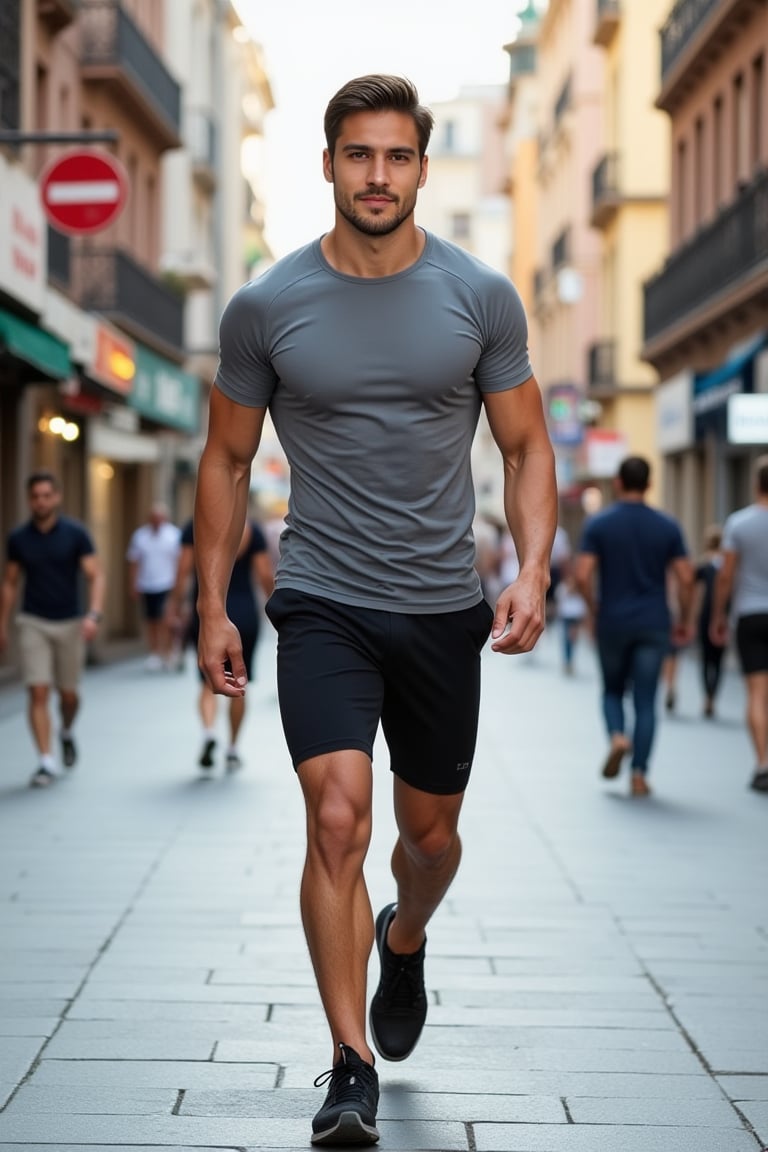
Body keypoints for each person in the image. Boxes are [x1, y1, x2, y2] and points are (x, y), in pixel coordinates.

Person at [192, 74, 557, 1147]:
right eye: (360, 155)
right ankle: (349, 1063)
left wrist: (532, 567)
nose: (379, 175)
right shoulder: (268, 307)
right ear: (329, 164)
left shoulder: (479, 296)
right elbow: (224, 457)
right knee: (337, 817)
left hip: (445, 605)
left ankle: (405, 940)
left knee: (429, 839)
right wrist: (214, 604)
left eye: (398, 157)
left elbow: (529, 447)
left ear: (421, 169)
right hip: (322, 600)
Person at [574, 455, 694, 797]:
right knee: (645, 700)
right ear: (650, 484)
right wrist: (684, 619)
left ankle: (617, 736)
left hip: (613, 620)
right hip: (654, 622)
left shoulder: (599, 524)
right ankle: (639, 775)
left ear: (618, 483)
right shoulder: (668, 525)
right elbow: (686, 578)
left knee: (612, 690)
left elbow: (582, 574)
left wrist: (592, 608)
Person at [0, 470, 105, 788]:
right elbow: (10, 582)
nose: (41, 501)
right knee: (38, 690)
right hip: (33, 621)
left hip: (71, 622)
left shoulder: (75, 533)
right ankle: (45, 761)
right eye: (35, 496)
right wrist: (3, 623)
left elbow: (95, 575)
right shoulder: (18, 538)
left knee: (69, 695)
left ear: (56, 497)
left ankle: (67, 731)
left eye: (47, 495)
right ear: (29, 499)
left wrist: (94, 615)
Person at [168, 514, 274, 773]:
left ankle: (208, 732)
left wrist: (175, 605)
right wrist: (276, 606)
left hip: (209, 612)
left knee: (207, 680)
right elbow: (263, 574)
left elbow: (182, 571)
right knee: (239, 681)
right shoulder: (250, 529)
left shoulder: (194, 526)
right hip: (244, 610)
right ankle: (233, 749)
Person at [710, 456, 768, 792]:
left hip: (750, 615)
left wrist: (718, 615)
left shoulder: (739, 523)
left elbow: (726, 575)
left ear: (756, 483)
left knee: (757, 694)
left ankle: (762, 763)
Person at [126, 503, 181, 670]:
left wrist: (179, 587)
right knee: (151, 621)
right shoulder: (140, 536)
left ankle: (169, 652)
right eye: (153, 518)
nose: (156, 521)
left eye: (159, 518)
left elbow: (180, 562)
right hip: (147, 584)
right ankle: (155, 653)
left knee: (166, 620)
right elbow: (135, 562)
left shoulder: (173, 535)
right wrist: (133, 584)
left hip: (167, 583)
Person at [694, 524, 726, 719]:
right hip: (722, 615)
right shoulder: (727, 565)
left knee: (706, 659)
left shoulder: (703, 565)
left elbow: (694, 590)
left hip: (706, 615)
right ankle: (712, 696)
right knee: (718, 660)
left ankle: (707, 696)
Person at [554, 569, 587, 676]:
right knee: (566, 640)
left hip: (575, 618)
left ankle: (570, 661)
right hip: (566, 617)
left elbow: (582, 605)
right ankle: (567, 662)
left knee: (572, 640)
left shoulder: (580, 591)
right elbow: (559, 602)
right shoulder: (563, 588)